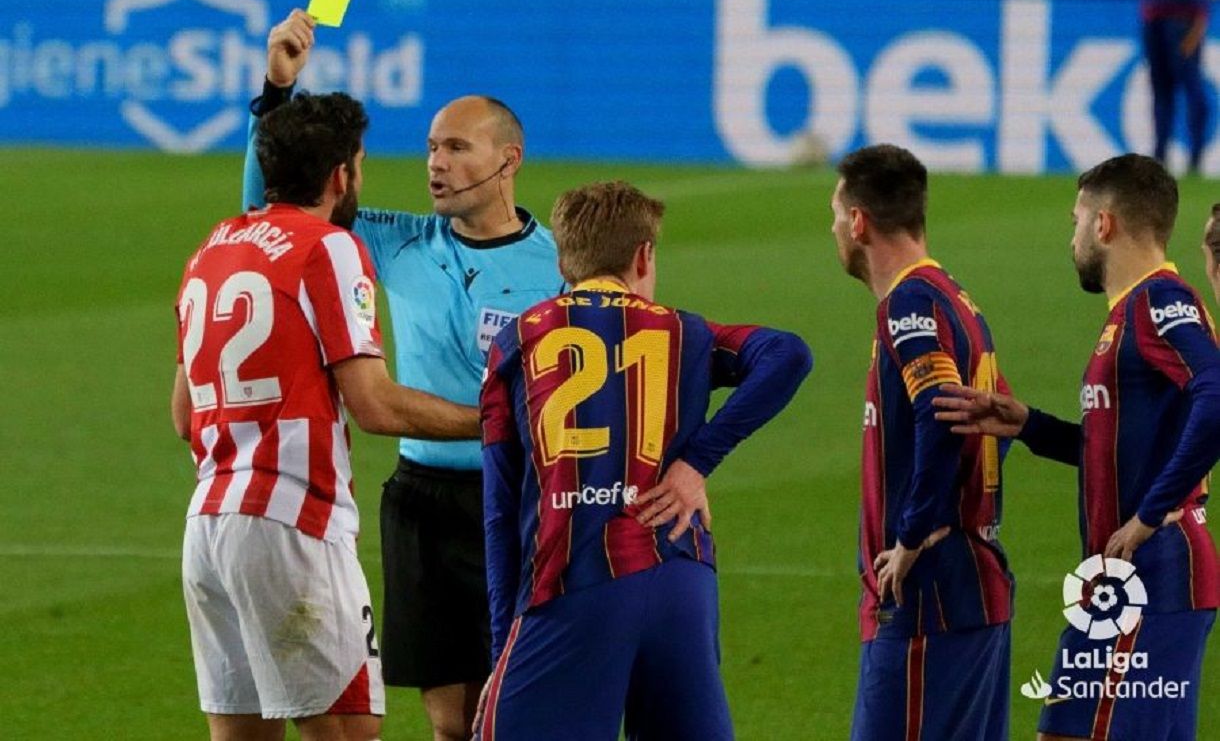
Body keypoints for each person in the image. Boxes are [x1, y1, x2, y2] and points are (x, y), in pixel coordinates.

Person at [242, 10, 564, 740]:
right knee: (449, 718)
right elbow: (275, 209)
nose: (435, 163)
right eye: (429, 148)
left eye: (456, 147)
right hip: (420, 500)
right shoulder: (397, 240)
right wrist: (277, 90)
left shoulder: (558, 263)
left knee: (514, 705)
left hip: (519, 494)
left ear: (509, 159)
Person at [172, 92, 481, 740]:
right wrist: (495, 419)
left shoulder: (213, 247)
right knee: (345, 731)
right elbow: (374, 403)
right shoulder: (330, 248)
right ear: (342, 174)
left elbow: (183, 415)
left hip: (207, 528)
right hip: (292, 525)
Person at [475, 181, 812, 740]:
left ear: (563, 259)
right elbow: (787, 354)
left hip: (568, 585)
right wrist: (695, 463)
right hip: (681, 579)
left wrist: (502, 652)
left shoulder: (515, 345)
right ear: (644, 255)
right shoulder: (688, 332)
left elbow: (499, 510)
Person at [934, 154, 1220, 741]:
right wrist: (1030, 426)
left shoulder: (1161, 302)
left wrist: (1147, 514)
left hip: (1156, 570)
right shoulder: (1128, 315)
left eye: (1076, 220)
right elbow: (1124, 445)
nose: (1072, 238)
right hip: (1118, 577)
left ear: (1105, 225)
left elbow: (1217, 395)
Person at [829, 144, 1015, 740]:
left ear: (858, 221)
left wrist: (916, 530)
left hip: (926, 600)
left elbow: (939, 414)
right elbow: (995, 422)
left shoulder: (910, 302)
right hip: (972, 590)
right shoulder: (957, 300)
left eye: (835, 213)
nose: (834, 228)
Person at [1110, 0, 1220, 171]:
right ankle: (1160, 155)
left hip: (1185, 11)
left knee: (1190, 82)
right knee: (1160, 85)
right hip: (1152, 8)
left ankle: (1196, 155)